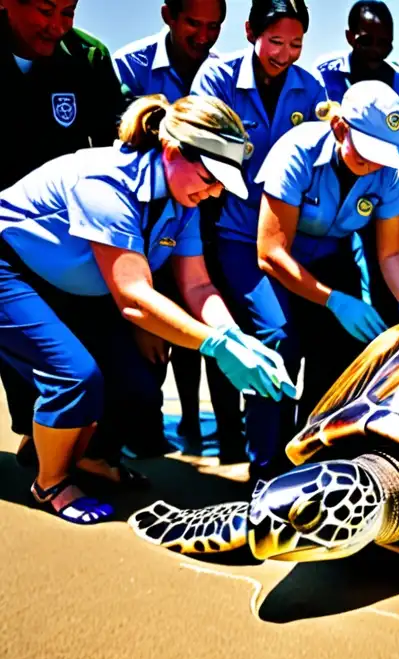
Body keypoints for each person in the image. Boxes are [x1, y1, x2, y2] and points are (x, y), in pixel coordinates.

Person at [0, 93, 293, 523]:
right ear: (172, 151)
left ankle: (89, 455)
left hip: (77, 284)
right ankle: (52, 482)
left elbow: (197, 283)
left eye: (221, 185)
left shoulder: (184, 197)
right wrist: (215, 346)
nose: (213, 193)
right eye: (211, 177)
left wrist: (235, 337)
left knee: (139, 378)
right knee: (75, 377)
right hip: (12, 269)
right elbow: (134, 297)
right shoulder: (104, 183)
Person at [191, 0, 326, 481]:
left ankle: (309, 460)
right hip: (236, 236)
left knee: (324, 340)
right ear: (250, 31)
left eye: (296, 44)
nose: (285, 54)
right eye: (275, 42)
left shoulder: (311, 88)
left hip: (294, 239)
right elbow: (198, 157)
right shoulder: (216, 81)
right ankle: (266, 473)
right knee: (278, 337)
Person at [254, 81, 399, 432]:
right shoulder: (297, 151)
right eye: (367, 152)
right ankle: (266, 464)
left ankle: (315, 450)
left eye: (384, 154)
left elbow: (391, 251)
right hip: (272, 258)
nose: (375, 166)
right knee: (280, 342)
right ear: (339, 128)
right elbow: (271, 252)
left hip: (331, 254)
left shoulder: (390, 171)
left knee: (344, 351)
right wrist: (334, 300)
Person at [114, 0, 245, 461]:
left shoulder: (225, 72)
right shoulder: (128, 67)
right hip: (135, 222)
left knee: (204, 309)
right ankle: (166, 433)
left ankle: (224, 438)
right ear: (168, 14)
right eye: (194, 23)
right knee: (151, 351)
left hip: (200, 214)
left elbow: (199, 286)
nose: (204, 36)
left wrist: (229, 340)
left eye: (215, 27)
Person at [1, 0, 126, 473]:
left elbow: (116, 148)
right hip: (2, 242)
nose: (57, 26)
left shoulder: (88, 58)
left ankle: (56, 445)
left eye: (68, 11)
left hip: (61, 240)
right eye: (44, 10)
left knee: (80, 362)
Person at [315, 1, 399, 104]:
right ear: (350, 37)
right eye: (366, 41)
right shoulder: (326, 72)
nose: (375, 49)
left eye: (383, 43)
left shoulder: (398, 81)